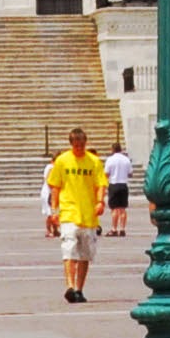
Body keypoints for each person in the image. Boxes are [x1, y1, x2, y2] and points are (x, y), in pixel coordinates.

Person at [44, 127, 105, 304]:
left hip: (88, 214)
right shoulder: (62, 161)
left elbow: (100, 184)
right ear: (71, 144)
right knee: (69, 249)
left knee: (85, 254)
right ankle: (70, 286)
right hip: (68, 212)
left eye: (82, 144)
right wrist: (54, 210)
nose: (79, 147)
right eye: (76, 144)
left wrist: (100, 202)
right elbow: (55, 187)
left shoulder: (93, 162)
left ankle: (79, 288)